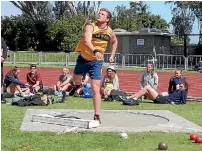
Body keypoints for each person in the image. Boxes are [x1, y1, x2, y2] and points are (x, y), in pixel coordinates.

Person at [73, 8, 118, 123]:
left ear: (107, 19)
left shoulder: (110, 31)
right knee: (76, 79)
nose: (99, 14)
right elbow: (87, 41)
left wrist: (112, 55)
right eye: (99, 13)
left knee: (95, 88)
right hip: (83, 59)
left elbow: (114, 41)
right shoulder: (90, 26)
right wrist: (95, 51)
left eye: (102, 14)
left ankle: (97, 115)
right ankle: (78, 86)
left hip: (96, 63)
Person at [1, 37, 8, 103]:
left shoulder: (1, 39)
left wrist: (3, 57)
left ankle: (1, 97)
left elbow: (5, 49)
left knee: (0, 80)